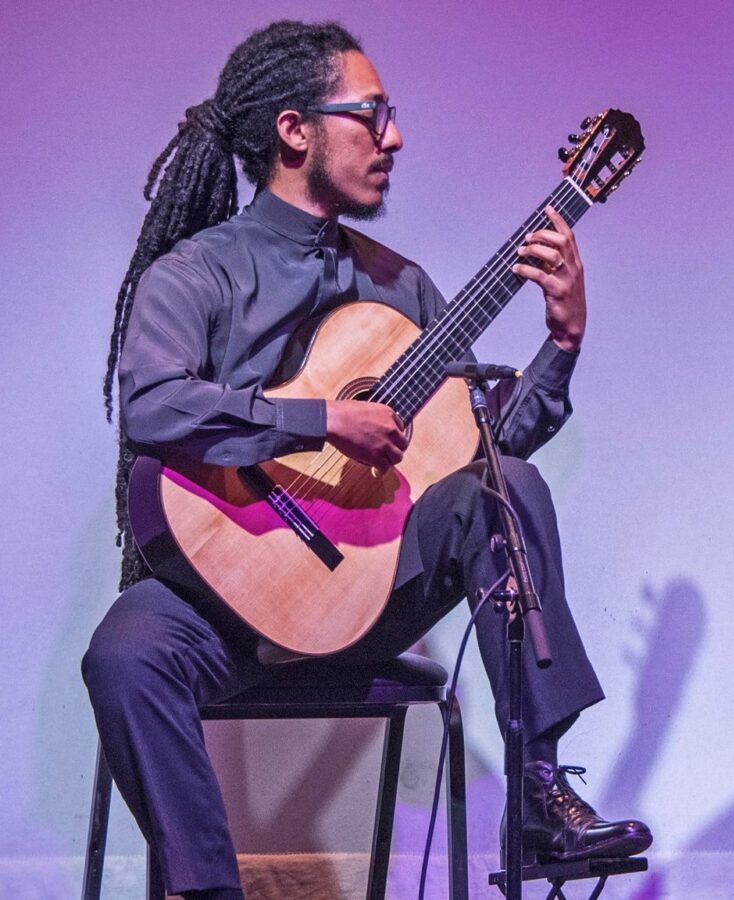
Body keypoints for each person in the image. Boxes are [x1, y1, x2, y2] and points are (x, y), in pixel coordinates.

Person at [82, 20, 649, 900]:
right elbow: (154, 407)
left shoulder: (402, 286)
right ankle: (206, 891)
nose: (395, 138)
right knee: (125, 652)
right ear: (294, 130)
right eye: (371, 115)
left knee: (507, 490)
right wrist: (317, 422)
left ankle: (540, 797)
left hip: (368, 593)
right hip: (225, 603)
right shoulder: (196, 275)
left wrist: (563, 341)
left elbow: (482, 455)